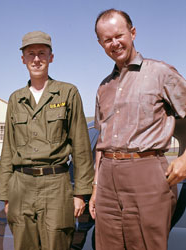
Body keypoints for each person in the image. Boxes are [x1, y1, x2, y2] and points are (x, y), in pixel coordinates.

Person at [89, 9, 186, 250]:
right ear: (100, 43)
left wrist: (185, 158)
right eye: (107, 39)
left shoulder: (161, 73)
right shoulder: (104, 87)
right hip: (107, 180)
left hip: (147, 173)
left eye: (119, 35)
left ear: (132, 33)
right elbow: (102, 140)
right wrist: (96, 188)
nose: (115, 43)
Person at [0, 31, 94, 250]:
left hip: (56, 184)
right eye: (31, 54)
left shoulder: (67, 93)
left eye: (42, 53)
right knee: (24, 244)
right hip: (20, 185)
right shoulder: (16, 98)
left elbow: (81, 146)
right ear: (23, 59)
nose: (37, 59)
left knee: (57, 243)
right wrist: (6, 196)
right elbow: (8, 149)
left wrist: (80, 193)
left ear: (51, 57)